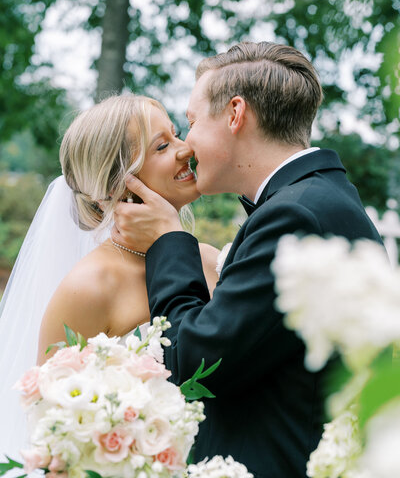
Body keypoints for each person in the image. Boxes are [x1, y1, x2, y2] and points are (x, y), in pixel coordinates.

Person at [112, 42, 383, 478]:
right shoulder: (314, 200)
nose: (187, 144)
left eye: (192, 122)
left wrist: (167, 239)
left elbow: (195, 362)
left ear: (235, 114)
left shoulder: (295, 216)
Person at [0, 94, 219, 458]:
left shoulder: (210, 261)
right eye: (163, 146)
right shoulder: (89, 288)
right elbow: (56, 431)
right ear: (119, 182)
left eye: (176, 135)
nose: (185, 149)